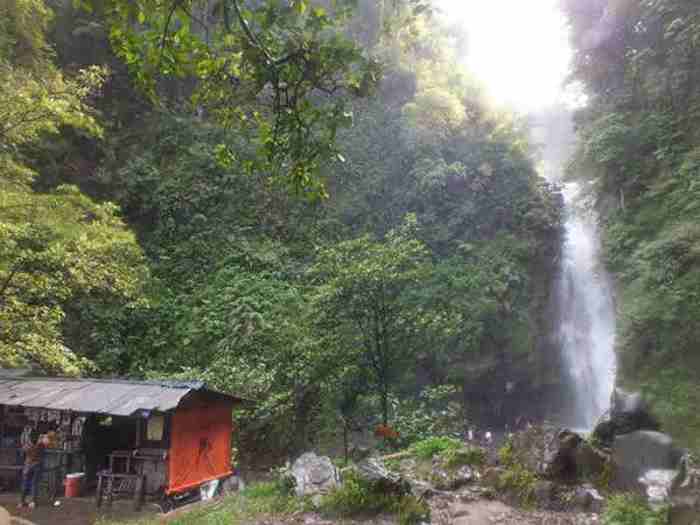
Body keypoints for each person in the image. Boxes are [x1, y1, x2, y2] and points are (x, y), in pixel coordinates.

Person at [19, 431, 47, 509]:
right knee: (34, 484)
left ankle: (21, 502)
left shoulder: (27, 445)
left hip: (28, 466)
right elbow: (43, 453)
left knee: (25, 484)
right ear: (37, 437)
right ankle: (32, 502)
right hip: (37, 466)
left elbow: (22, 454)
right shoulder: (41, 445)